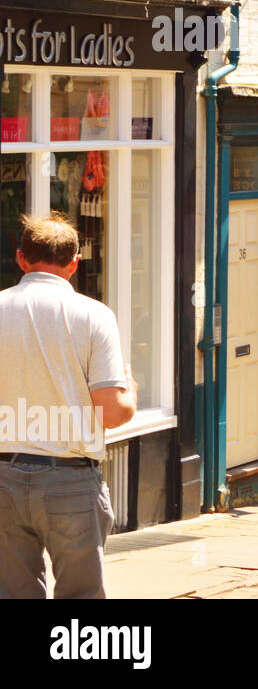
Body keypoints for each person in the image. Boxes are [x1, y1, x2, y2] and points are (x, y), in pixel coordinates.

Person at [0, 214, 138, 599]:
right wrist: (131, 394)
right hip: (70, 479)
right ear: (76, 262)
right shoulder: (93, 316)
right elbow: (111, 412)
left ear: (21, 259)